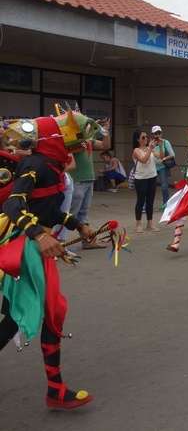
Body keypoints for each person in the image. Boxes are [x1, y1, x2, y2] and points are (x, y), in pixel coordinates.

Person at [0, 115, 96, 409]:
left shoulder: (52, 168)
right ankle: (55, 390)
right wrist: (40, 237)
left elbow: (50, 211)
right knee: (30, 315)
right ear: (54, 137)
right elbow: (13, 204)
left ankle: (55, 389)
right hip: (25, 247)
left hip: (34, 247)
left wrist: (79, 225)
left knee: (27, 316)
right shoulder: (36, 163)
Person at [69, 114, 111, 249]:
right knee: (69, 214)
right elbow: (77, 147)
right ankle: (59, 242)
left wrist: (104, 131)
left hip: (88, 180)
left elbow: (105, 145)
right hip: (77, 181)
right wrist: (89, 131)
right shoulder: (74, 140)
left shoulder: (88, 140)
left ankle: (87, 241)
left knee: (83, 213)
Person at [131, 128, 161, 233]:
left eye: (146, 137)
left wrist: (160, 146)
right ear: (138, 139)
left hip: (152, 176)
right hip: (141, 178)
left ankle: (150, 223)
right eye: (143, 137)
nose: (146, 139)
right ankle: (138, 224)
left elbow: (160, 156)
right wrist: (150, 149)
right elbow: (143, 160)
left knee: (150, 200)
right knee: (140, 200)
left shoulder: (150, 148)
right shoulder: (136, 150)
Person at [151, 125, 175, 207]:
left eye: (159, 133)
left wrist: (163, 159)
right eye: (155, 133)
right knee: (150, 187)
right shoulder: (151, 143)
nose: (157, 135)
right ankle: (147, 205)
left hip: (162, 167)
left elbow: (172, 154)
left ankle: (166, 204)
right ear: (153, 134)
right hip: (152, 167)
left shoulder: (165, 142)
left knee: (164, 186)